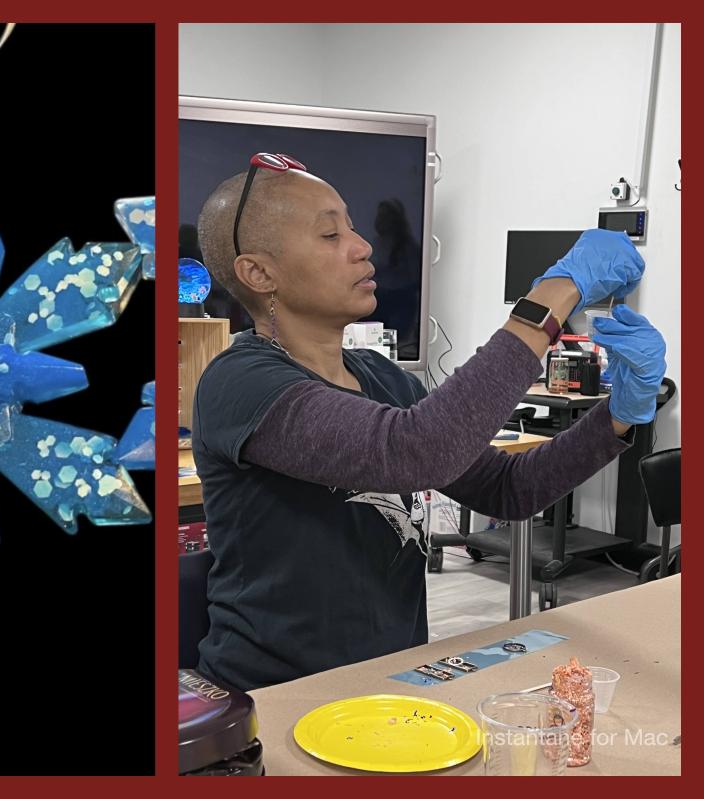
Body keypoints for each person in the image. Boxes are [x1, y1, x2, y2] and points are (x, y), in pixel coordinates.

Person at [189, 153, 667, 691]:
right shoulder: (240, 382)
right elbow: (415, 452)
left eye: (352, 226)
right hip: (276, 694)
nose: (362, 246)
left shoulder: (384, 378)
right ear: (258, 272)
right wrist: (551, 299)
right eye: (330, 235)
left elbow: (508, 488)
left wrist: (618, 417)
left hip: (389, 683)